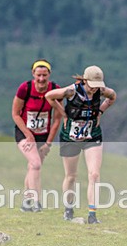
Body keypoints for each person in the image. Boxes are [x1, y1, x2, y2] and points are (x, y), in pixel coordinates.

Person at [46, 65, 117, 224]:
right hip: (70, 137)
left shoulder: (101, 90)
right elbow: (49, 96)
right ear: (85, 80)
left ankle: (92, 214)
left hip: (92, 135)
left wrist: (100, 111)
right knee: (71, 176)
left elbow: (112, 97)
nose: (94, 89)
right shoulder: (71, 91)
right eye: (92, 86)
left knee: (94, 174)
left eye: (97, 86)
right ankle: (68, 208)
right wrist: (63, 113)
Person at [12, 59, 61, 212]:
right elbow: (15, 114)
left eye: (44, 75)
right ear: (33, 74)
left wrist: (48, 143)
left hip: (43, 135)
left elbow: (57, 119)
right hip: (24, 132)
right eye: (38, 75)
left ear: (49, 75)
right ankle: (36, 202)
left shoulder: (56, 90)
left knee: (33, 167)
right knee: (36, 164)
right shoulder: (24, 88)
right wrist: (28, 134)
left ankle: (26, 204)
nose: (41, 79)